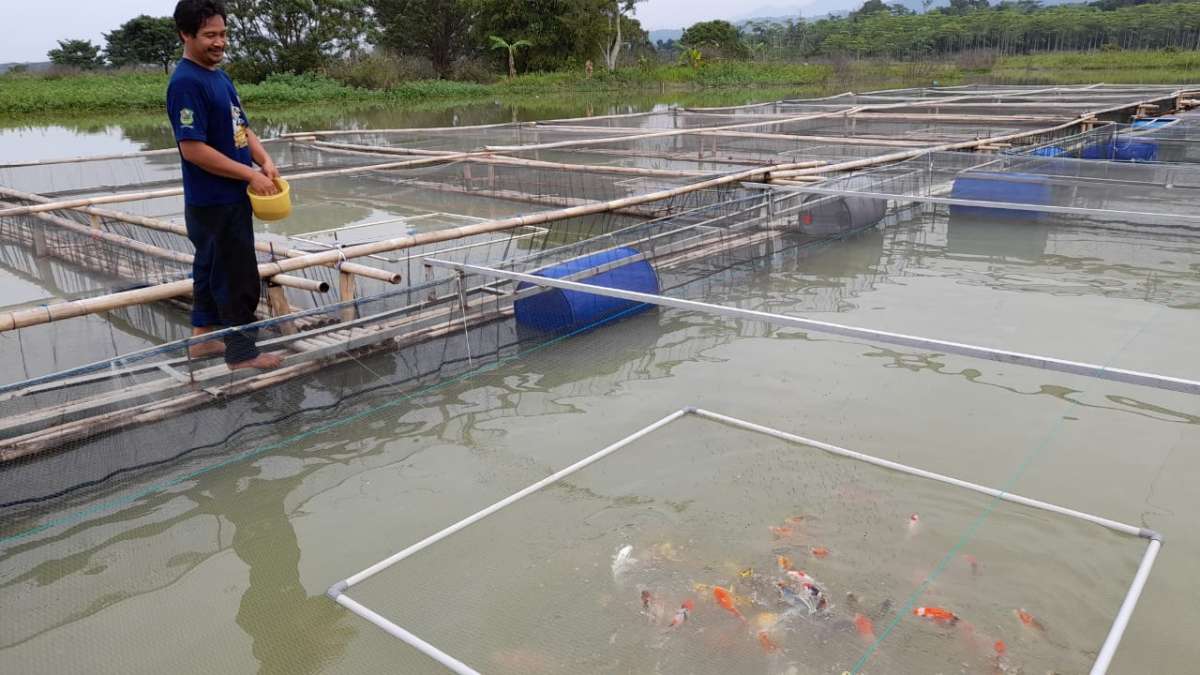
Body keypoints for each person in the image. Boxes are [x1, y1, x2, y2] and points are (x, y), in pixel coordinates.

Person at [168, 0, 282, 369]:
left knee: (209, 268)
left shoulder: (219, 77)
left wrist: (263, 160)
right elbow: (193, 149)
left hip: (228, 195)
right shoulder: (186, 82)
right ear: (185, 35)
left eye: (223, 34)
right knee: (236, 275)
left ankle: (202, 340)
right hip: (213, 199)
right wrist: (249, 174)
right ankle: (242, 354)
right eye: (209, 36)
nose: (220, 43)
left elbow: (241, 128)